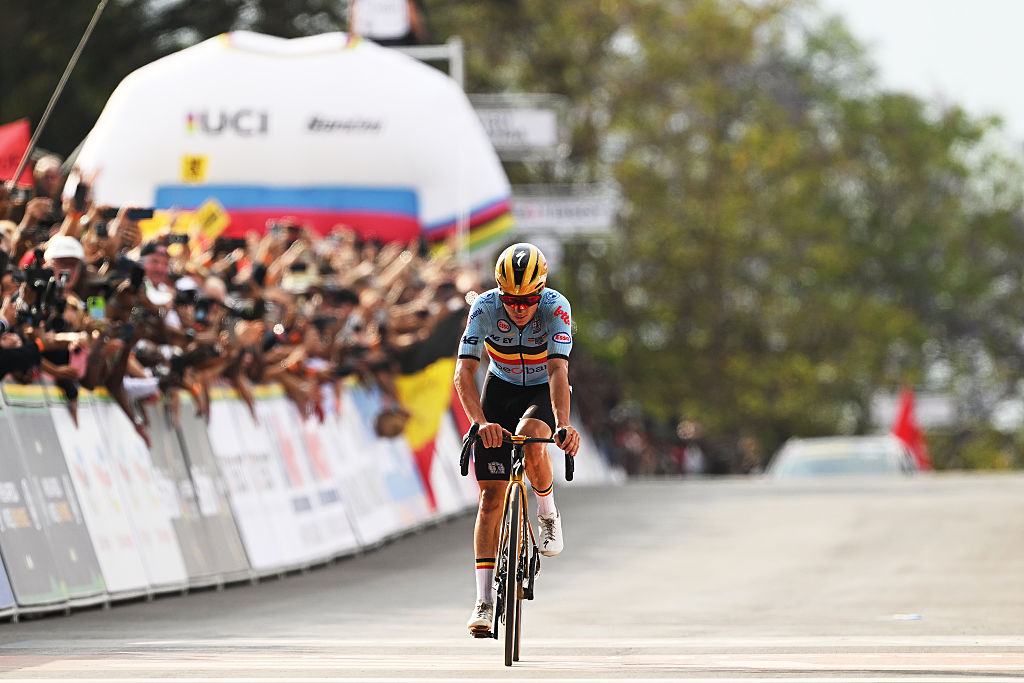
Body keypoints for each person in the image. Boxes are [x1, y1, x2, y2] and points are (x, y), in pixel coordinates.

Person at [453, 242, 580, 637]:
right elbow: (463, 373)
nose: (520, 307)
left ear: (540, 292)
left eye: (528, 299)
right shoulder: (485, 308)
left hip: (542, 387)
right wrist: (478, 422)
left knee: (531, 436)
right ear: (498, 291)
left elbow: (559, 371)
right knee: (491, 497)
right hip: (501, 387)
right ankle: (484, 602)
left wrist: (562, 424)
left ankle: (546, 511)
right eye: (511, 298)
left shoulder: (556, 308)